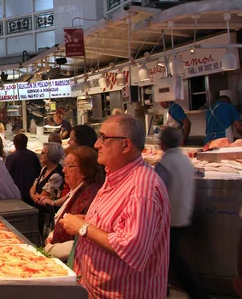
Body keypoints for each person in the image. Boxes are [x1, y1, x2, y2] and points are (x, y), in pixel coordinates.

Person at [59, 114, 170, 298]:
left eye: (104, 138)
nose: (96, 145)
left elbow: (131, 246)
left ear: (125, 145)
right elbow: (118, 224)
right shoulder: (115, 176)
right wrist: (89, 220)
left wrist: (83, 228)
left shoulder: (142, 187)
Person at [155, 127, 209, 299]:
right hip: (183, 215)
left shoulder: (164, 164)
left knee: (171, 259)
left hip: (169, 220)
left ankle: (197, 293)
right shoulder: (185, 160)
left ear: (162, 144)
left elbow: (156, 191)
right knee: (170, 258)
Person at [44, 146, 104, 261]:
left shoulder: (91, 195)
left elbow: (82, 242)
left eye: (69, 166)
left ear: (85, 171)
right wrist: (52, 236)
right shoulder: (75, 190)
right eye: (65, 165)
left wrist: (50, 249)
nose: (63, 170)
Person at [30, 142, 65, 238]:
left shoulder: (56, 175)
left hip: (47, 216)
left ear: (51, 156)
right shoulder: (44, 169)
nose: (40, 155)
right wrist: (34, 195)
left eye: (43, 153)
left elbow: (42, 197)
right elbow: (33, 186)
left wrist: (35, 195)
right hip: (39, 212)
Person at [6, 134, 41, 206]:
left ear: (14, 143)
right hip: (31, 191)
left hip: (18, 192)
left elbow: (7, 176)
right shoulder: (33, 155)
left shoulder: (11, 157)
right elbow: (38, 173)